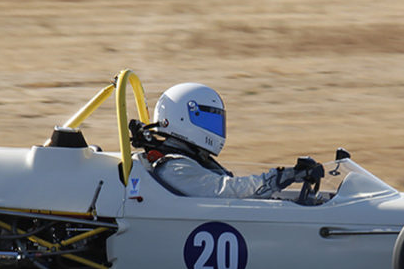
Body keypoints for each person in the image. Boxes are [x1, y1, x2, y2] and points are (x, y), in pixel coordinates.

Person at [131, 82, 322, 199]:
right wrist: (281, 177)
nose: (214, 127)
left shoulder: (191, 159)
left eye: (216, 120)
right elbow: (228, 191)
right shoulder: (175, 168)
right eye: (206, 119)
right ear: (181, 117)